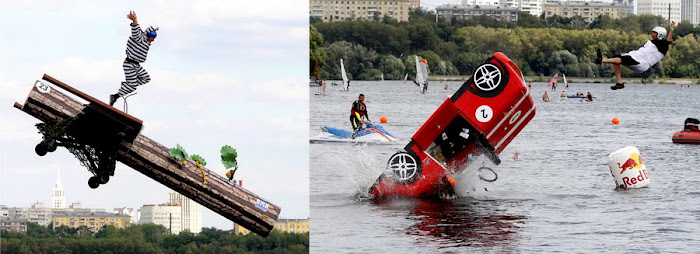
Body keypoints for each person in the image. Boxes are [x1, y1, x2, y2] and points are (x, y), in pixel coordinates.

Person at [597, 21, 675, 90]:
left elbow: (668, 40)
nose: (652, 34)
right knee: (617, 59)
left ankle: (603, 60)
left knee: (623, 59)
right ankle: (619, 83)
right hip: (637, 57)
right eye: (652, 32)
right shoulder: (651, 42)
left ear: (660, 35)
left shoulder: (663, 46)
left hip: (643, 63)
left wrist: (671, 29)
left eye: (655, 33)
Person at [110, 11, 159, 106]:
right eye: (153, 37)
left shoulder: (147, 42)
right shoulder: (139, 37)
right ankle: (115, 96)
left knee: (146, 78)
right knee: (132, 87)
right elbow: (136, 30)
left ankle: (127, 85)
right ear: (148, 35)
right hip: (129, 64)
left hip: (136, 65)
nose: (153, 39)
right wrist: (135, 19)